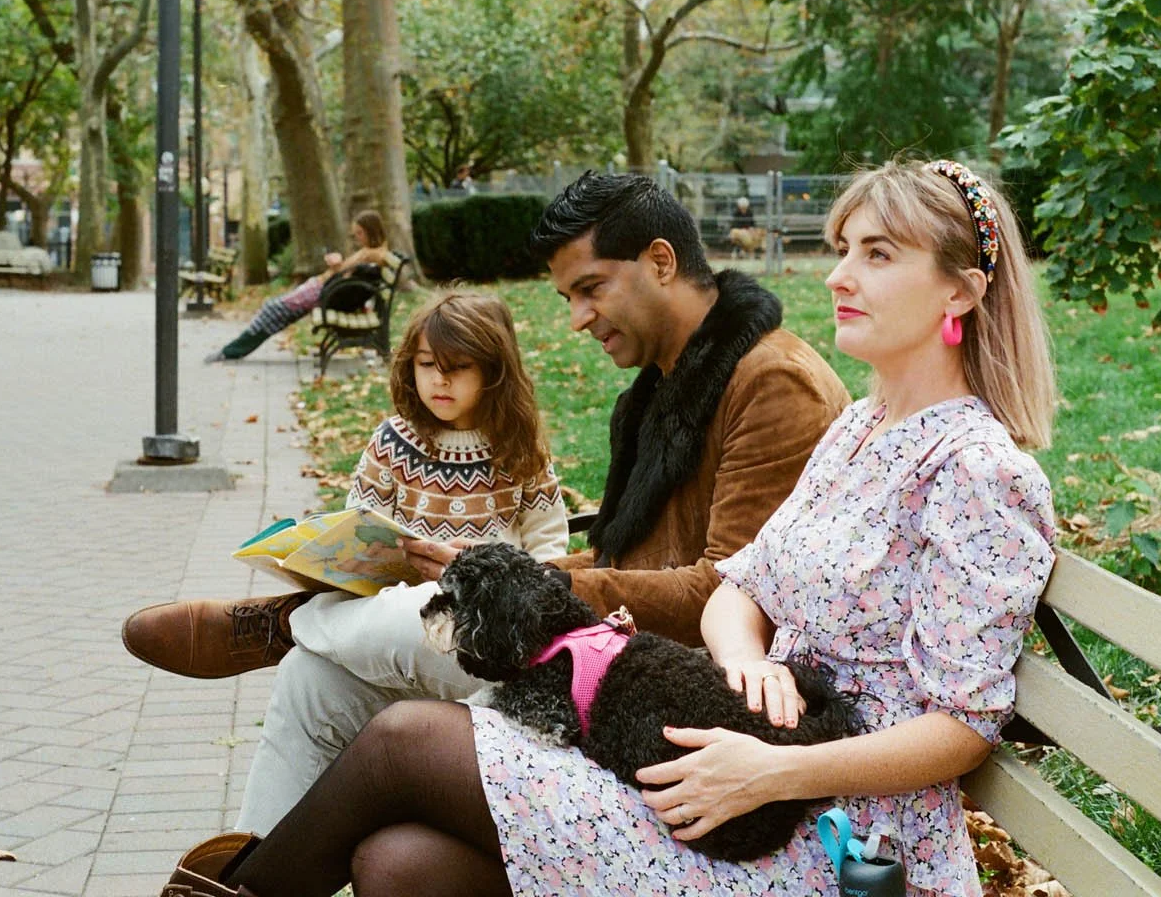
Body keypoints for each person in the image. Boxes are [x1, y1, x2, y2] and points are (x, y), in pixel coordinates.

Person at [154, 159, 1057, 897]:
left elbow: (965, 726)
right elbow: (740, 584)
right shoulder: (864, 429)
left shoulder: (980, 473)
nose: (838, 274)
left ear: (962, 294)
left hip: (827, 832)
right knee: (398, 864)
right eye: (841, 248)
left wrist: (773, 771)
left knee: (401, 744)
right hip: (733, 751)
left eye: (878, 254)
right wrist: (748, 660)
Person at [126, 171, 850, 837]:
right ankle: (241, 873)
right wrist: (484, 565)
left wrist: (530, 587)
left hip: (666, 699)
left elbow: (730, 592)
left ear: (661, 261)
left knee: (430, 622)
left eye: (590, 288)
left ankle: (284, 624)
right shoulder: (659, 390)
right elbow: (620, 561)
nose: (574, 318)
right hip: (603, 658)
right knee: (314, 683)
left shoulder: (772, 386)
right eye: (567, 296)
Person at [204, 210, 398, 363]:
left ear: (372, 231)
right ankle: (231, 350)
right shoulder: (369, 252)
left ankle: (231, 351)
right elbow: (346, 271)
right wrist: (338, 265)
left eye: (360, 233)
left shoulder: (373, 254)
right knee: (271, 310)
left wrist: (341, 265)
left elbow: (350, 271)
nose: (357, 237)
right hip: (322, 287)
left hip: (323, 292)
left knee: (272, 311)